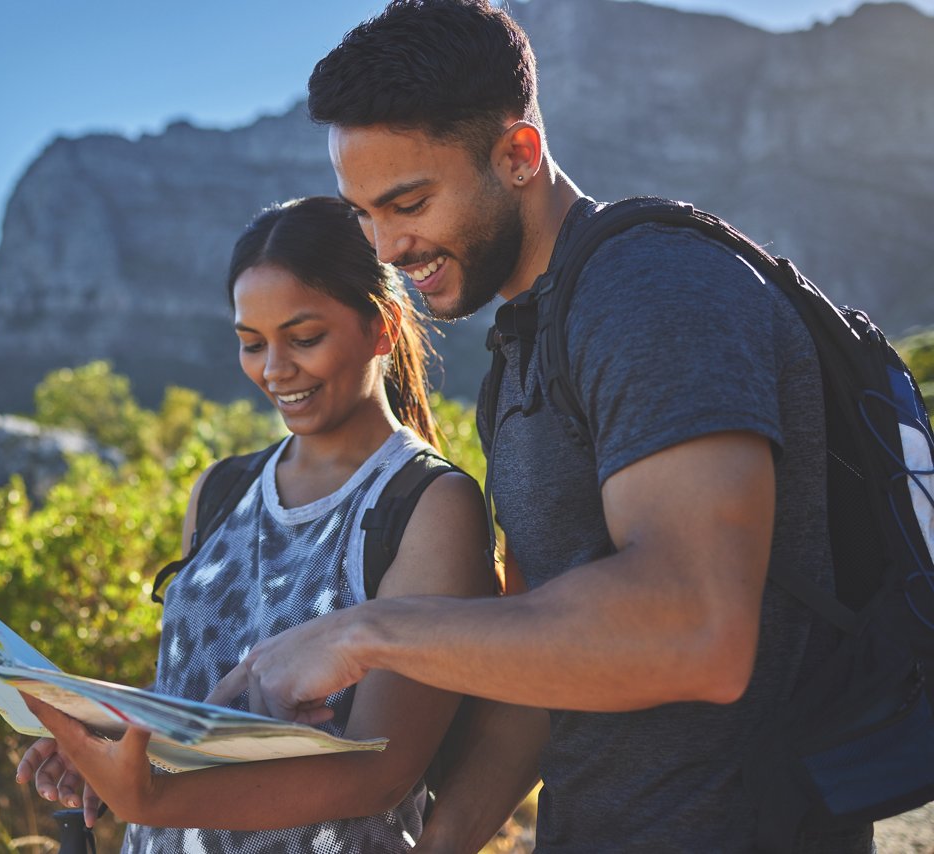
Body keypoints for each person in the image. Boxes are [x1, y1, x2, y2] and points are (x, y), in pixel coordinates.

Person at [205, 2, 874, 851]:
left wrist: (360, 634)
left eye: (408, 202)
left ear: (518, 154)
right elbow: (533, 677)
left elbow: (697, 630)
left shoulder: (654, 288)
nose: (387, 248)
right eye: (364, 213)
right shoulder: (523, 353)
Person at [15, 195, 497, 852]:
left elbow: (380, 771)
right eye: (251, 343)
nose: (274, 371)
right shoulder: (221, 490)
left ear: (382, 327)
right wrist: (111, 741)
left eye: (304, 339)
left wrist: (152, 794)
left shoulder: (428, 505)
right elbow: (200, 701)